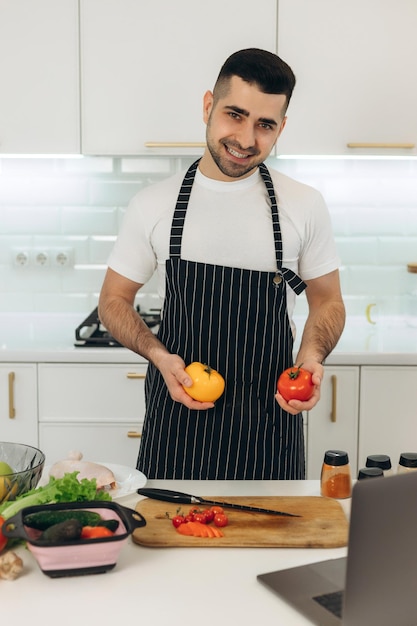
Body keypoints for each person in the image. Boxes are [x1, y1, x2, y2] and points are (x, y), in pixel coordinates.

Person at [98, 48, 345, 480]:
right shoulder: (154, 204)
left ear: (281, 128)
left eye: (265, 125)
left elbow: (328, 302)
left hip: (269, 429)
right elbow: (114, 301)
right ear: (208, 105)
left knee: (270, 544)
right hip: (176, 428)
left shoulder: (304, 205)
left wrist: (309, 359)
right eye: (235, 114)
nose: (247, 139)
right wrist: (158, 356)